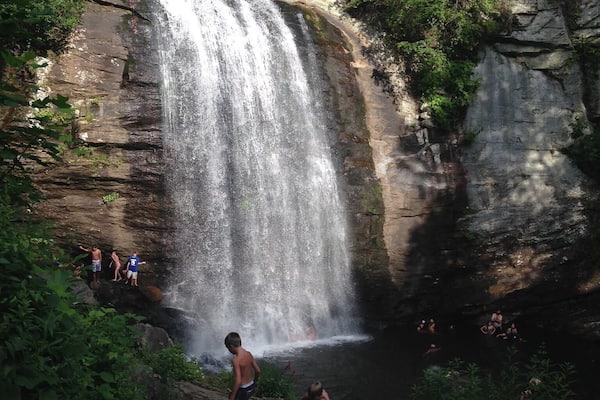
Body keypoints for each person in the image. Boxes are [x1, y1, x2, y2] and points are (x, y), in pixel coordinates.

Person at [224, 332, 261, 400]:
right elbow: (258, 370)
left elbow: (238, 380)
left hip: (243, 389)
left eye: (228, 348)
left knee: (231, 396)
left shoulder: (236, 360)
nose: (229, 351)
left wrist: (232, 396)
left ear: (231, 346)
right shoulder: (249, 354)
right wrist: (255, 382)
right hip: (251, 386)